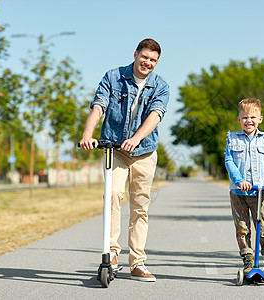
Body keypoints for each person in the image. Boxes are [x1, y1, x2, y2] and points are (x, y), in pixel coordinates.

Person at [79, 38, 169, 282]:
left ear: (157, 62)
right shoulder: (113, 76)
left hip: (144, 152)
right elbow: (99, 106)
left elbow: (155, 115)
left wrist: (136, 138)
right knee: (112, 196)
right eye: (145, 57)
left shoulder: (161, 86)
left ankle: (137, 263)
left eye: (153, 60)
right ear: (136, 54)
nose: (147, 63)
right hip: (115, 149)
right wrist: (88, 134)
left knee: (140, 206)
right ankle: (112, 254)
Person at [224, 98, 264, 277]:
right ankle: (248, 261)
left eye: (253, 117)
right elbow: (229, 161)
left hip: (260, 192)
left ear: (260, 119)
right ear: (239, 119)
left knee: (263, 227)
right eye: (245, 117)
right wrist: (240, 180)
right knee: (242, 227)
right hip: (238, 192)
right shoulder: (232, 139)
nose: (249, 120)